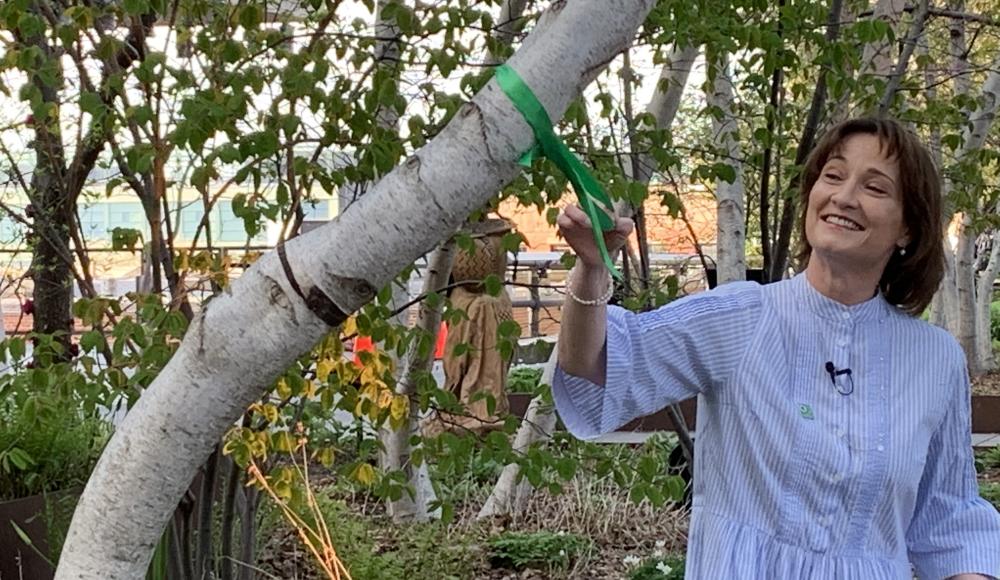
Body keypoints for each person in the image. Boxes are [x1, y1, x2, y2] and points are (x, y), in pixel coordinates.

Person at [553, 118, 1000, 579]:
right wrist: (591, 268)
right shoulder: (740, 318)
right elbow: (597, 363)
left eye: (875, 187)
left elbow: (949, 519)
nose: (844, 197)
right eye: (833, 175)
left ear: (908, 228)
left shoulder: (935, 359)